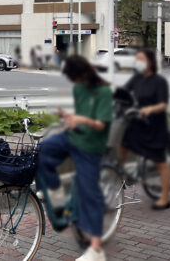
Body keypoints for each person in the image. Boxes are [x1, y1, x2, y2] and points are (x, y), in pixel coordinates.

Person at [37, 55, 112, 261]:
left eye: (76, 77)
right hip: (74, 137)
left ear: (85, 72)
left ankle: (97, 250)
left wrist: (79, 119)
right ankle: (59, 203)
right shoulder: (79, 88)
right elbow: (81, 116)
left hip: (91, 146)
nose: (75, 83)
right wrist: (69, 118)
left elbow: (100, 125)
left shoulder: (103, 92)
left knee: (90, 193)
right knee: (42, 150)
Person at [119, 48, 170, 210]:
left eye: (141, 59)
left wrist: (150, 109)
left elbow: (163, 104)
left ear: (150, 63)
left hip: (155, 125)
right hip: (139, 121)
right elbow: (123, 92)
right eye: (137, 59)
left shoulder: (159, 81)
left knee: (160, 162)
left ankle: (164, 198)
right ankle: (121, 174)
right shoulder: (137, 79)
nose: (138, 62)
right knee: (122, 142)